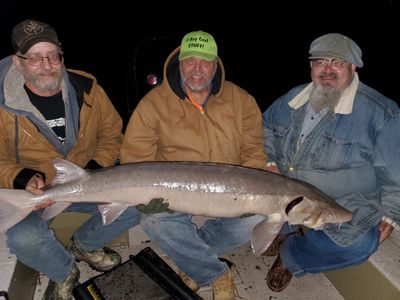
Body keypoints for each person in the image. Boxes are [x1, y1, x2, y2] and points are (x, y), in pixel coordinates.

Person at [0, 19, 159, 300]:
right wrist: (22, 176)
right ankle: (65, 272)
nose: (46, 65)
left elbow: (113, 136)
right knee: (24, 238)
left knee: (146, 202)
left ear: (62, 55)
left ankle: (83, 245)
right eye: (34, 58)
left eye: (53, 56)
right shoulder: (2, 104)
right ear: (17, 61)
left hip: (90, 180)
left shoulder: (88, 90)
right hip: (36, 192)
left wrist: (96, 170)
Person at [120, 30, 272, 299]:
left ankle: (193, 258)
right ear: (180, 63)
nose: (198, 69)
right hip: (174, 193)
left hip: (230, 193)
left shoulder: (242, 101)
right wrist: (144, 197)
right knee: (153, 219)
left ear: (216, 65)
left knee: (261, 215)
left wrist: (258, 180)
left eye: (205, 61)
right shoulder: (153, 104)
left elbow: (253, 152)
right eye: (191, 60)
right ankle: (216, 274)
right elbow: (135, 158)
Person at [262, 33, 400, 292]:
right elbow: (264, 127)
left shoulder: (382, 113)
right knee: (232, 207)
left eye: (337, 63)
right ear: (311, 66)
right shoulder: (293, 98)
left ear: (353, 67)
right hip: (283, 189)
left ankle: (292, 254)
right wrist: (268, 161)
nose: (327, 70)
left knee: (361, 245)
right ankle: (282, 229)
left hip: (343, 199)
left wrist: (392, 216)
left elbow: (397, 173)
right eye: (320, 62)